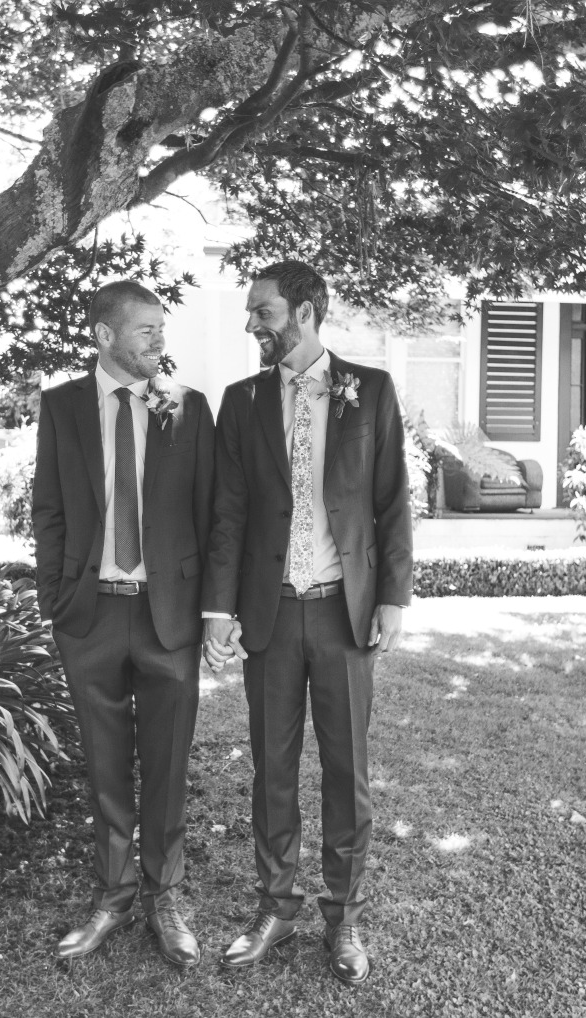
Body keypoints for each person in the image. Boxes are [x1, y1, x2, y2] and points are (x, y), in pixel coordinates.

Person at [201, 260, 414, 986]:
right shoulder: (241, 401)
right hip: (268, 613)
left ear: (305, 312)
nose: (252, 324)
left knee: (347, 771)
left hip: (342, 613)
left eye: (262, 311)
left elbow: (392, 502)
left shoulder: (371, 390)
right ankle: (275, 906)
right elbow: (228, 512)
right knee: (272, 769)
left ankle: (344, 917)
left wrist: (393, 598)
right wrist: (219, 610)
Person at [31, 280, 215, 967]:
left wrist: (213, 608)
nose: (159, 341)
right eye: (146, 330)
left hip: (170, 616)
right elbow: (48, 508)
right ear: (105, 335)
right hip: (90, 616)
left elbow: (213, 514)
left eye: (161, 330)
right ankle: (113, 895)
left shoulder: (188, 406)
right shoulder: (62, 407)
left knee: (167, 765)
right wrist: (56, 602)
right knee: (105, 765)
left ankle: (165, 897)